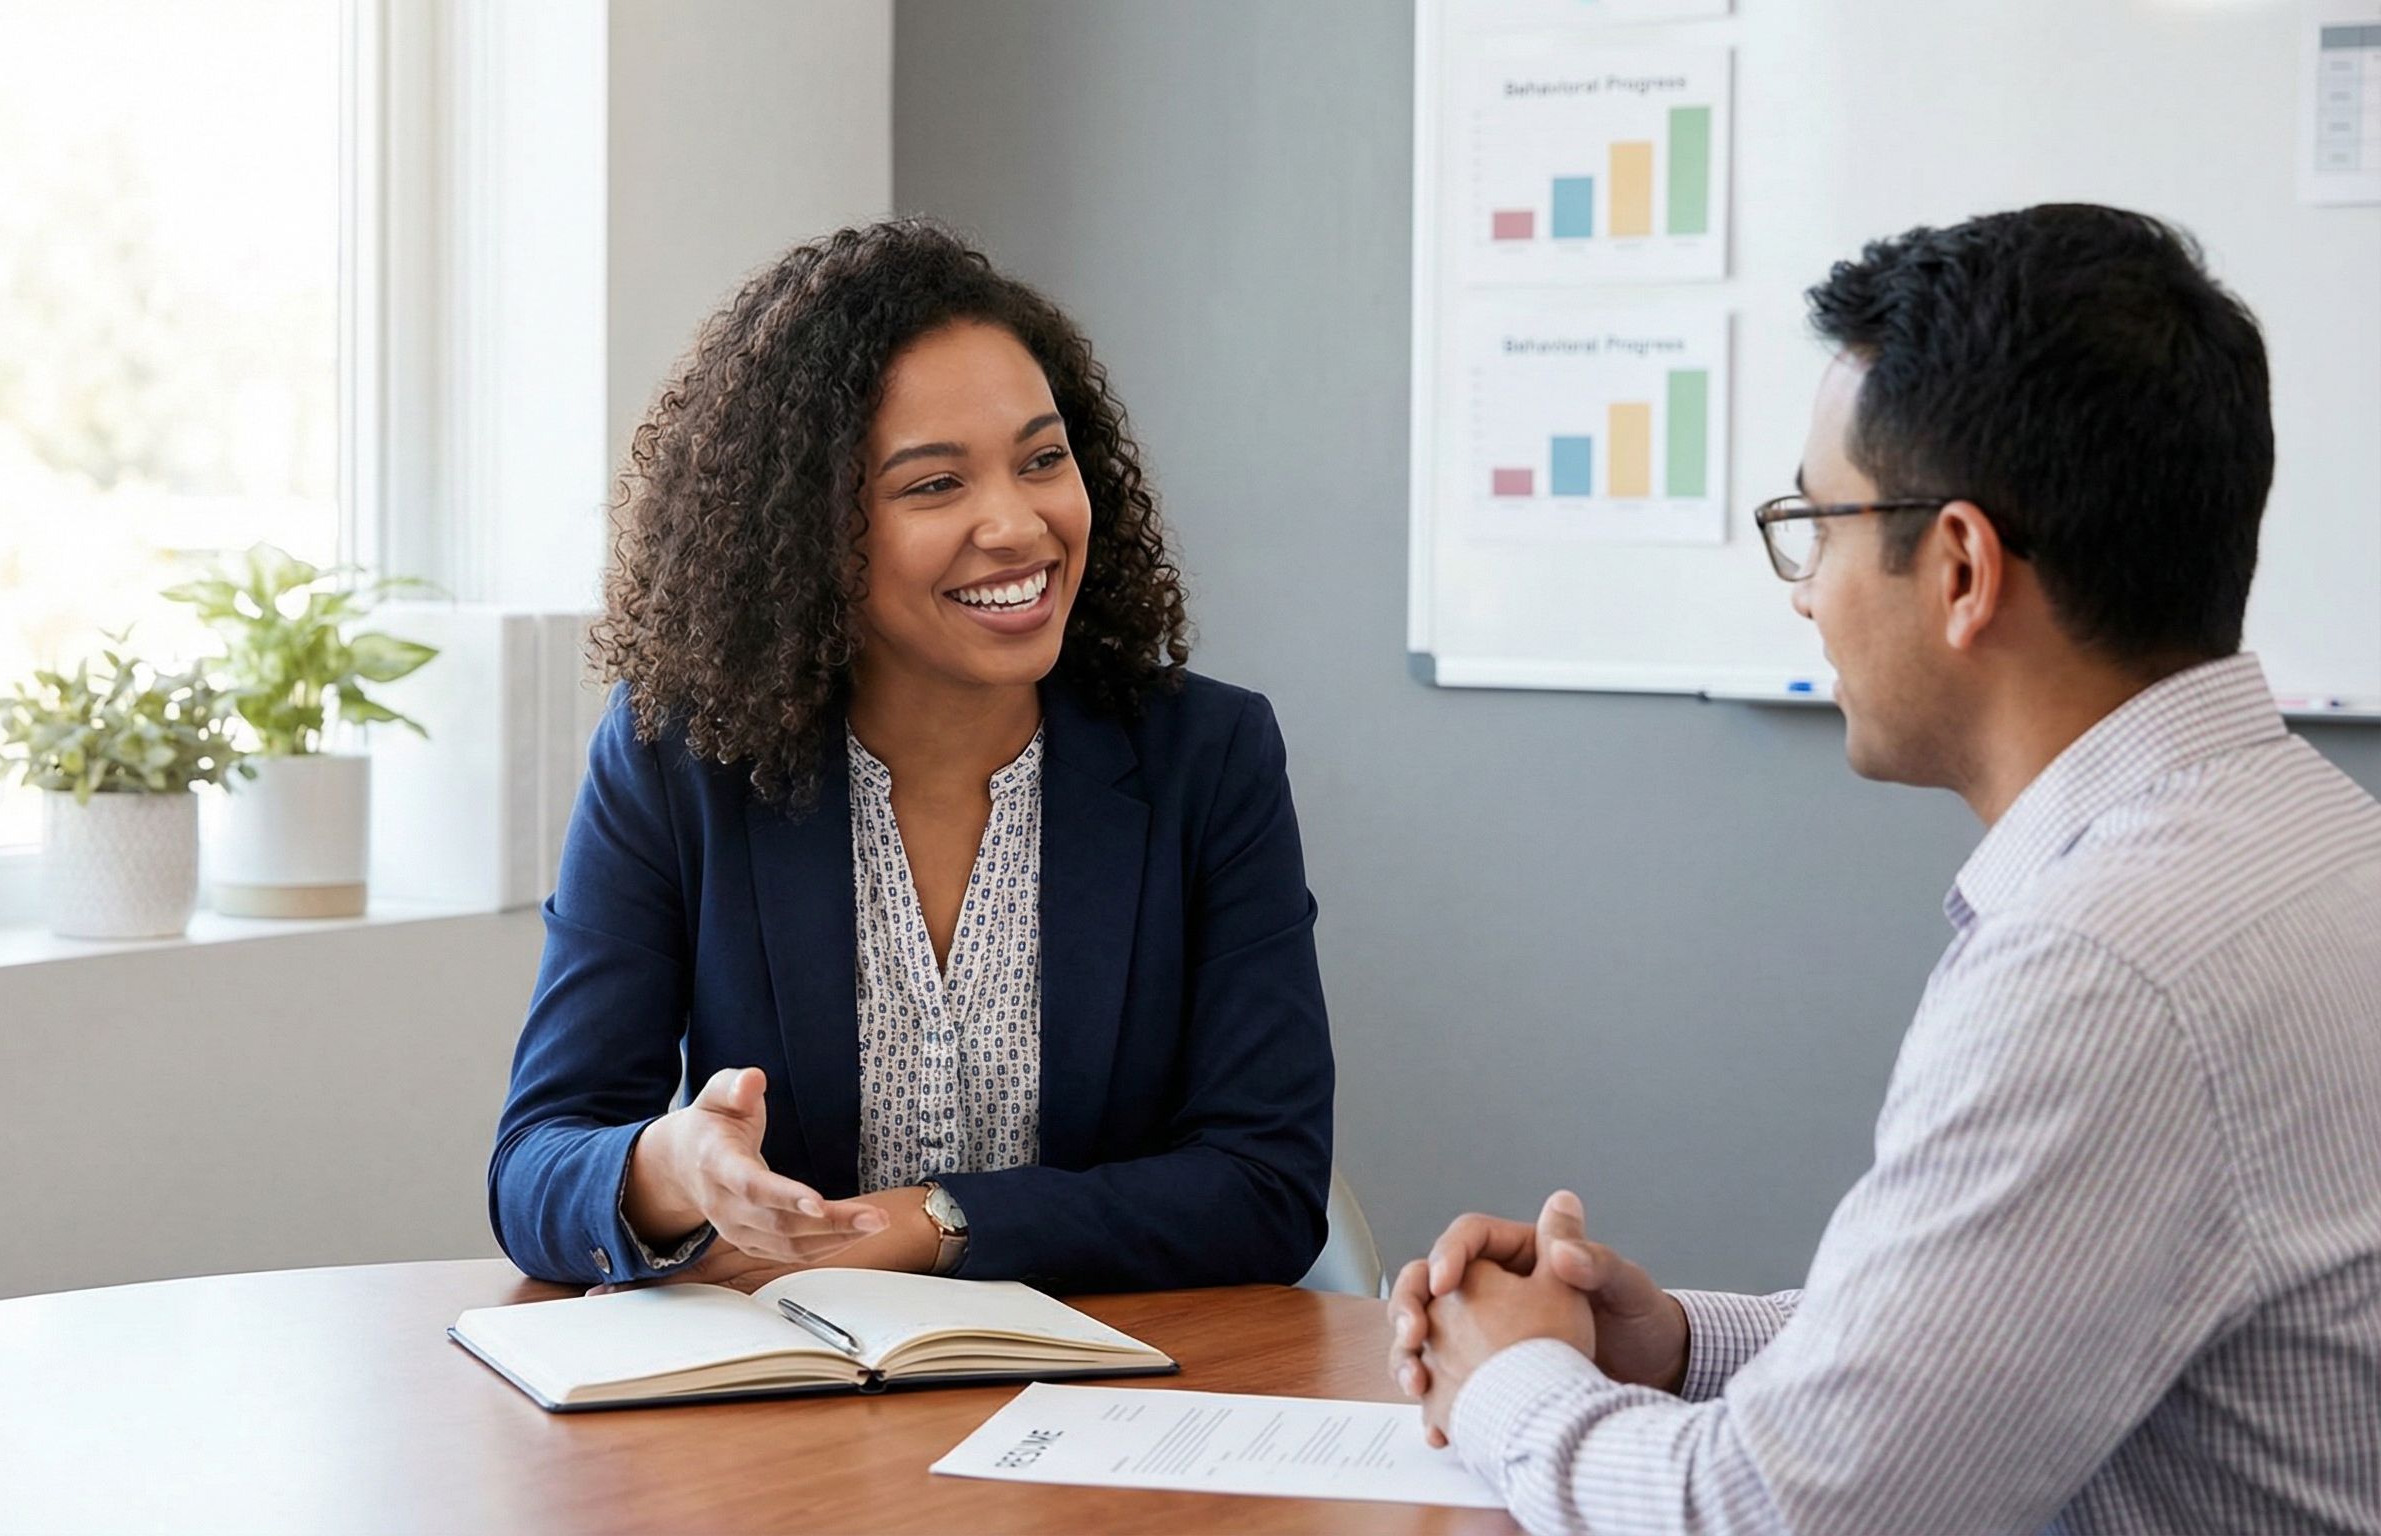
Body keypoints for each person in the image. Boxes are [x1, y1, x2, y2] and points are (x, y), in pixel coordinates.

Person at [1391, 204, 2381, 1533]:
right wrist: (1675, 1344)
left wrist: (1514, 1381)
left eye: (1820, 523)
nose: (1803, 592)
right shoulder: (2309, 838)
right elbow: (1998, 1337)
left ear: (1962, 567)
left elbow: (1781, 1518)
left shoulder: (2107, 970)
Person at [488, 219, 1334, 1295]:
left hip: (1112, 1399)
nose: (1017, 525)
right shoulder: (676, 758)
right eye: (935, 485)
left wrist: (928, 1225)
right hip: (793, 1412)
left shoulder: (1207, 760)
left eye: (1042, 460)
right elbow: (535, 1167)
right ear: (804, 534)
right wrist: (676, 1167)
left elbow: (1263, 1183)